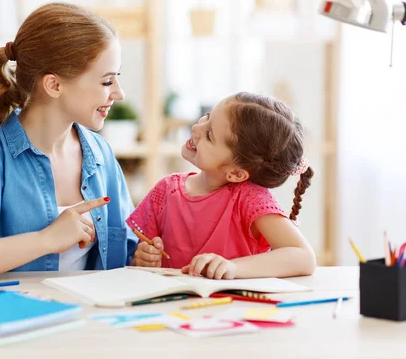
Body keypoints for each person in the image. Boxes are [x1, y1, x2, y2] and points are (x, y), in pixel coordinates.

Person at [0, 3, 138, 281]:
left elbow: (130, 245)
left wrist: (143, 254)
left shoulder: (101, 155)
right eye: (107, 82)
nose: (119, 94)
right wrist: (47, 240)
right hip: (16, 321)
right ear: (54, 85)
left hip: (92, 320)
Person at [128, 92, 316, 279]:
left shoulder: (250, 199)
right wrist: (143, 258)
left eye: (209, 135)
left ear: (235, 173)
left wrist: (233, 267)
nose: (196, 127)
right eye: (208, 116)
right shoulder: (165, 190)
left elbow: (304, 257)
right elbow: (135, 254)